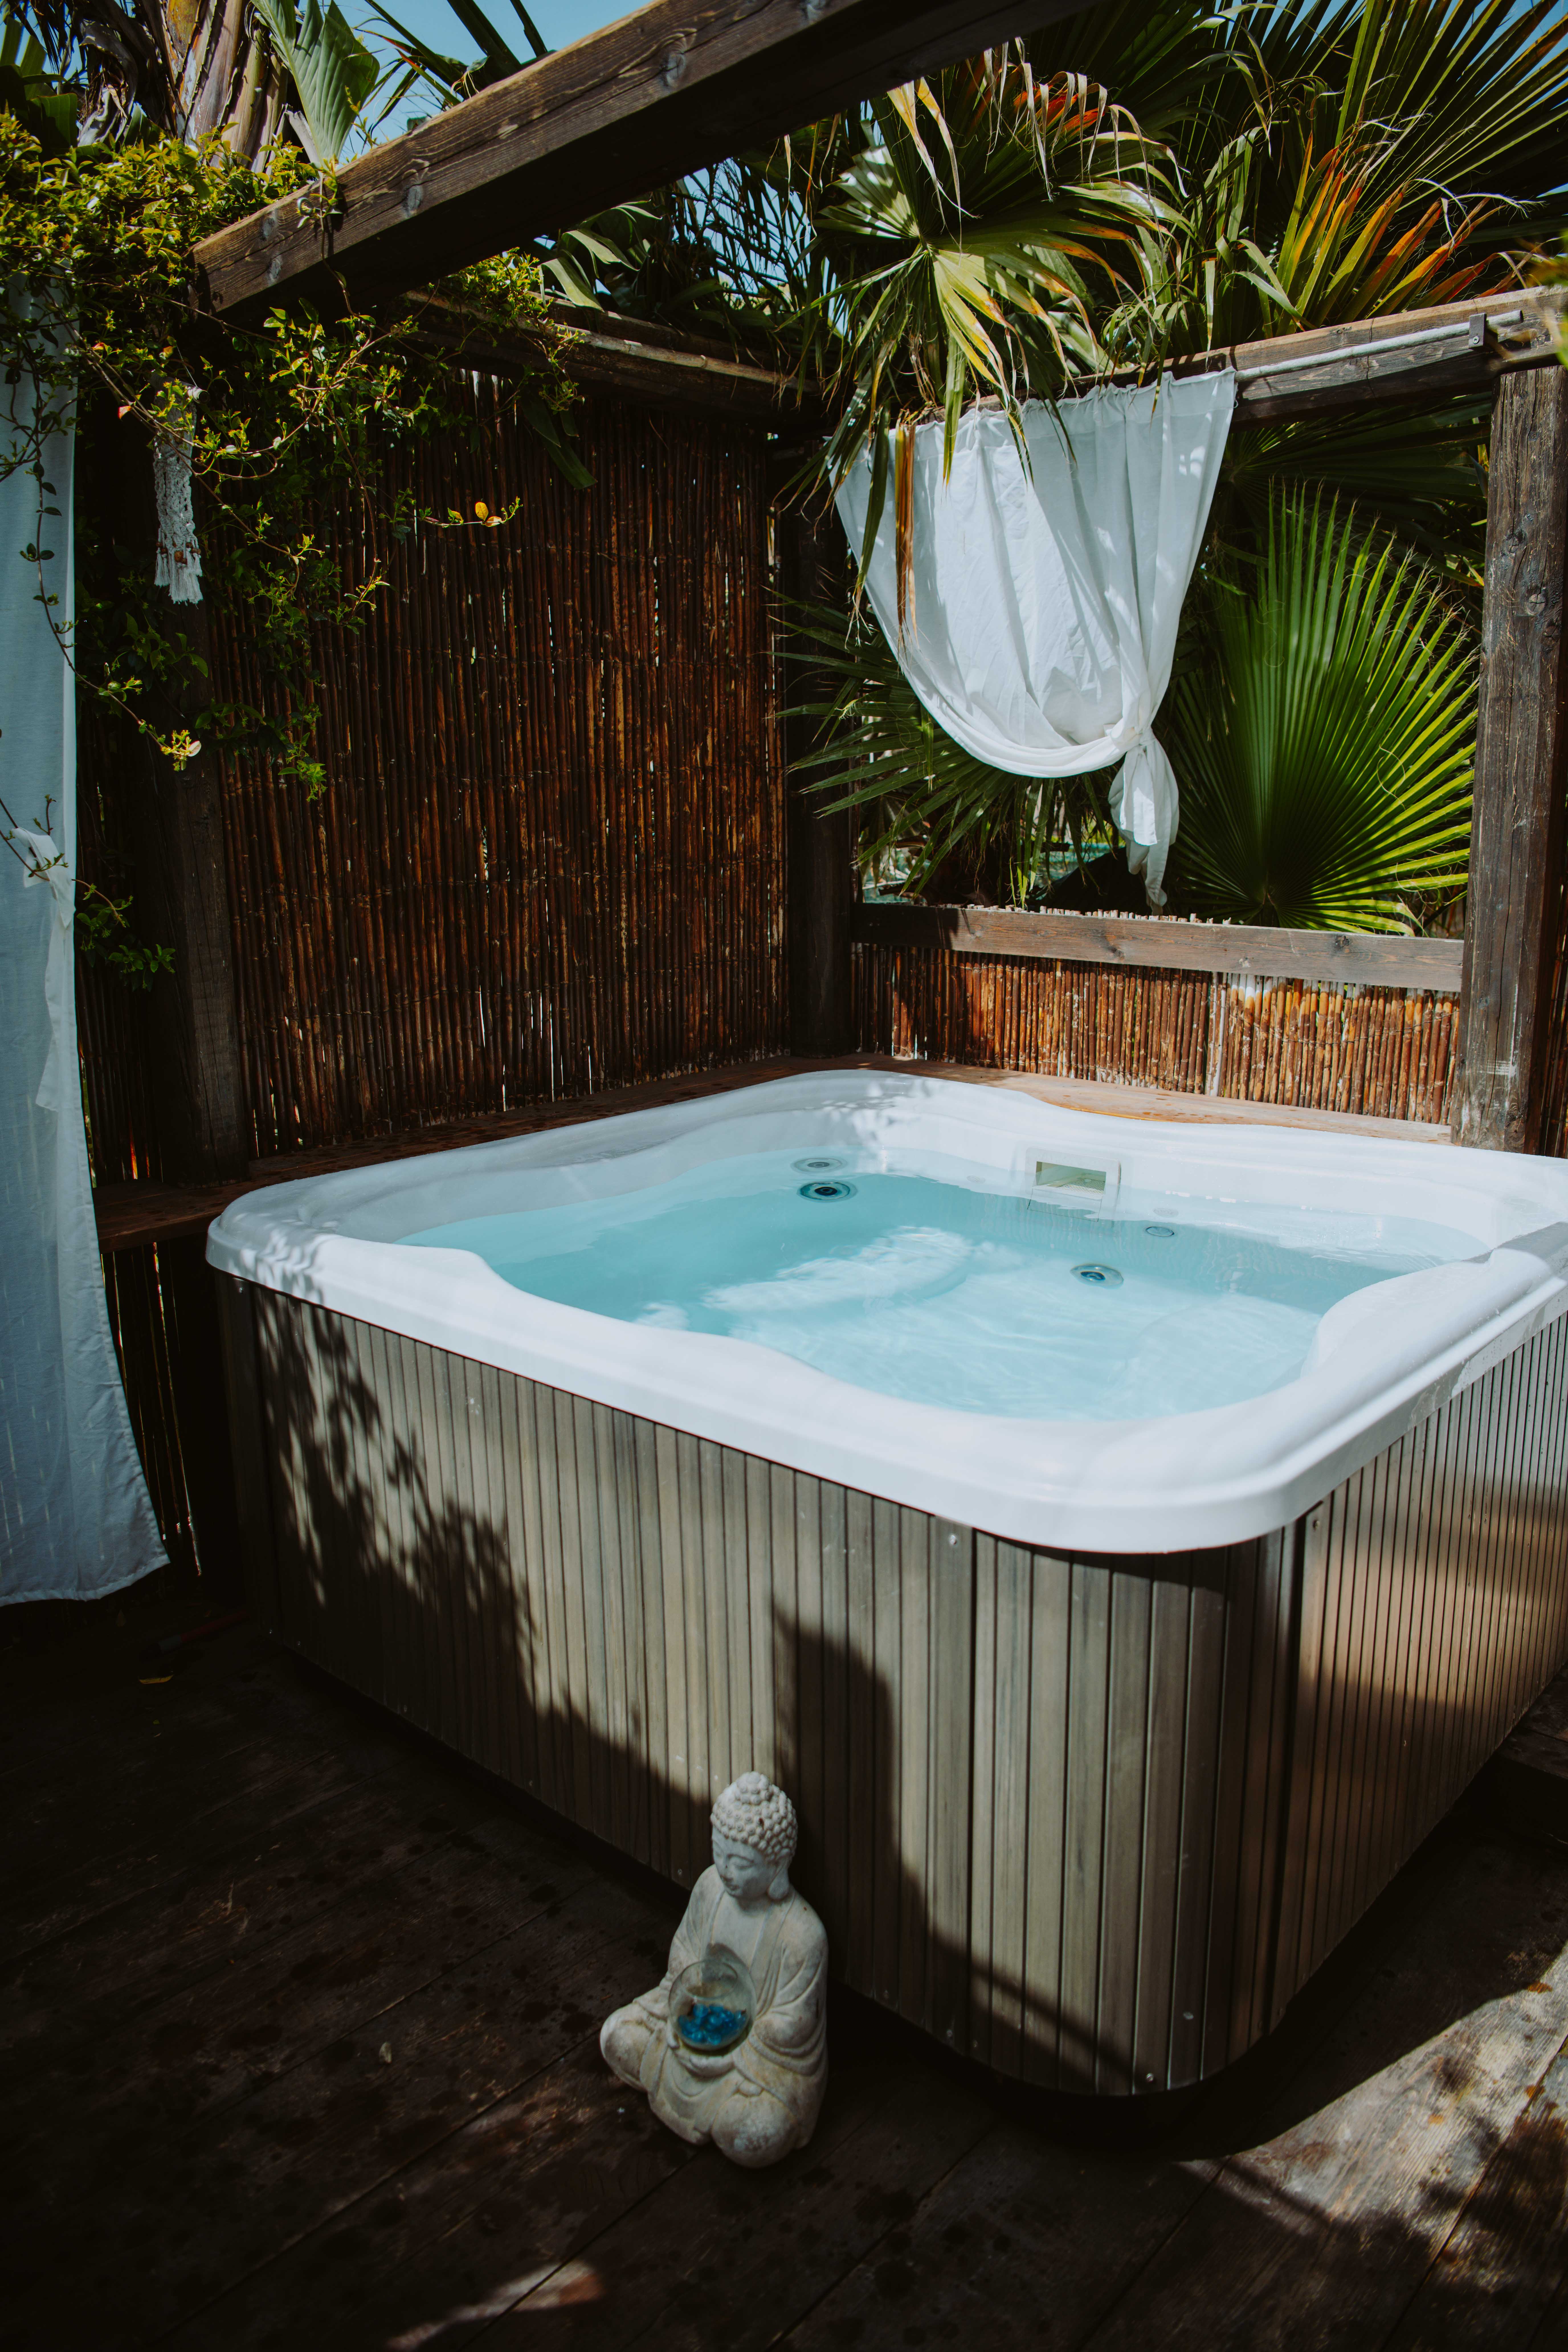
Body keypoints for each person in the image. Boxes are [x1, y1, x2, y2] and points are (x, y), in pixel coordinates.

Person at [600, 1772, 828, 2169]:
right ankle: (685, 2075)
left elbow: (794, 2025)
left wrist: (735, 2049)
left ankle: (727, 2112)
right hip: (697, 2020)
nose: (725, 1871)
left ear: (777, 1865)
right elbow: (684, 1957)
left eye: (740, 1863)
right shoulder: (709, 1887)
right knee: (616, 2036)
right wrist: (683, 2015)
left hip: (759, 2059)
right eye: (719, 1853)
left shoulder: (802, 1934)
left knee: (754, 2133)